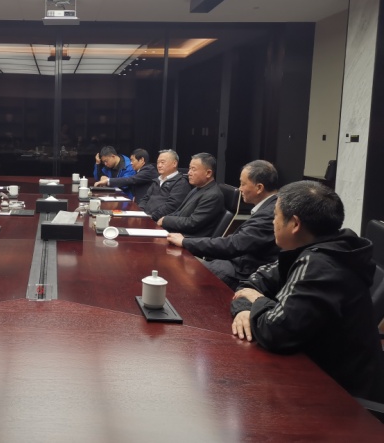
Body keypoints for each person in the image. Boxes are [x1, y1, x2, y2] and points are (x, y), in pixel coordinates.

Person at [231, 181, 384, 402]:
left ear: (294, 224)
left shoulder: (321, 264)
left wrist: (256, 301)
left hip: (340, 398)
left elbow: (276, 331)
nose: (273, 221)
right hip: (309, 369)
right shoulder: (313, 249)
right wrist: (244, 309)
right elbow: (250, 283)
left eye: (275, 215)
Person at [167, 160, 280, 290]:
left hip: (239, 273)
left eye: (243, 184)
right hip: (229, 264)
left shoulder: (269, 214)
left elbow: (233, 245)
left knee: (176, 273)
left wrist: (185, 242)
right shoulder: (269, 207)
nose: (240, 189)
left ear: (259, 188)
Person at [157, 152, 224, 237]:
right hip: (177, 233)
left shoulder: (213, 195)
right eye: (189, 168)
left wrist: (166, 220)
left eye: (193, 169)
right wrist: (163, 219)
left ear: (208, 173)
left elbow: (193, 223)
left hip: (189, 239)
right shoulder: (196, 189)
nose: (189, 172)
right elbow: (180, 212)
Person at [138, 149, 190, 220]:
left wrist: (152, 216)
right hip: (145, 217)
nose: (159, 165)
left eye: (162, 162)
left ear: (174, 163)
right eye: (158, 162)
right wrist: (140, 211)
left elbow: (172, 206)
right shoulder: (157, 180)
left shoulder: (181, 182)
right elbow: (145, 198)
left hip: (159, 221)